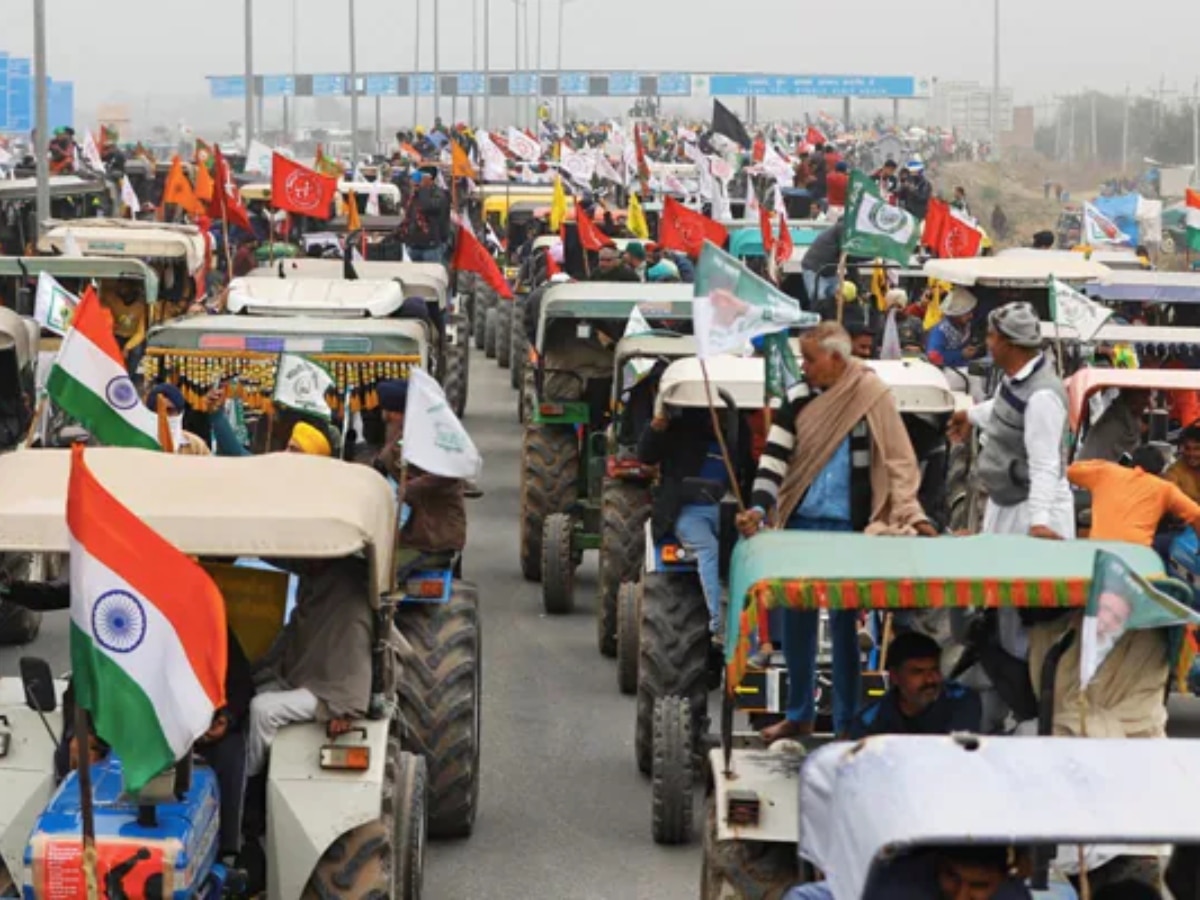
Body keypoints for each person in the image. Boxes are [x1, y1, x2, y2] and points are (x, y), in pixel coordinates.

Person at [737, 322, 936, 742]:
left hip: (853, 527)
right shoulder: (797, 397)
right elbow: (775, 458)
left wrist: (912, 514)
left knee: (848, 627)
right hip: (801, 522)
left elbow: (899, 459)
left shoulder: (870, 395)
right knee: (796, 623)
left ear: (837, 360)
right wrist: (758, 507)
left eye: (810, 359)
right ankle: (799, 714)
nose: (804, 368)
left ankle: (846, 723)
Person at [949, 302, 1074, 704]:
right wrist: (969, 415)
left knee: (1026, 616)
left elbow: (1045, 464)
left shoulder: (1043, 396)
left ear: (1007, 343)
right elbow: (1001, 411)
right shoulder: (1015, 381)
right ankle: (1006, 696)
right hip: (1007, 504)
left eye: (991, 337)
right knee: (1000, 606)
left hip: (1032, 509)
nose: (987, 343)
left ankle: (1030, 702)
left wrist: (1039, 524)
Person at [245, 555, 374, 778]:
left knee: (262, 709)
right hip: (302, 677)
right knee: (246, 697)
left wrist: (346, 710)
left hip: (331, 696)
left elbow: (355, 665)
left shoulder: (350, 604)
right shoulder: (314, 592)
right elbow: (290, 638)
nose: (308, 565)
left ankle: (247, 781)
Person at [638, 396, 752, 639]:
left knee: (748, 550)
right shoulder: (681, 432)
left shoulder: (737, 434)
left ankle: (753, 623)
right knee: (709, 549)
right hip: (690, 511)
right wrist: (658, 425)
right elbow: (646, 455)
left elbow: (747, 473)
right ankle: (720, 623)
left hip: (727, 509)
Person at [372, 379, 467, 564]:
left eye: (389, 411)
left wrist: (408, 489)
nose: (385, 416)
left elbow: (447, 473)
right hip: (411, 535)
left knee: (376, 571)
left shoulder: (431, 438)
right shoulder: (402, 434)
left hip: (431, 538)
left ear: (399, 412)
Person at [849, 631, 982, 738]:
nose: (930, 680)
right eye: (918, 672)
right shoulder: (870, 721)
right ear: (895, 676)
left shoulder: (962, 702)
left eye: (934, 670)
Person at [1069, 445, 1200, 552]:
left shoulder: (1106, 472)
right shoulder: (1164, 488)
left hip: (1100, 554)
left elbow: (1069, 470)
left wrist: (1104, 465)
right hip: (1137, 556)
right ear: (1160, 471)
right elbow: (1196, 514)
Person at [784, 845, 1033, 900]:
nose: (960, 896)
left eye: (979, 886)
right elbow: (804, 898)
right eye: (952, 877)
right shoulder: (895, 881)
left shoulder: (1011, 897)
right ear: (938, 862)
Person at [1075, 390, 1150, 463]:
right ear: (1131, 398)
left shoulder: (1129, 421)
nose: (1148, 403)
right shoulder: (1115, 424)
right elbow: (1123, 464)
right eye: (1144, 397)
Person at [146, 383, 211, 455]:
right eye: (158, 410)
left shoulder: (196, 446)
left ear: (180, 413)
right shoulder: (139, 445)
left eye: (170, 410)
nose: (164, 415)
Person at [401, 168, 449, 262]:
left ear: (429, 179)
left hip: (431, 247)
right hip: (414, 245)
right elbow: (409, 216)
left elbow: (427, 206)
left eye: (420, 177)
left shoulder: (440, 194)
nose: (416, 180)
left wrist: (424, 188)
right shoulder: (415, 195)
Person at [926, 288, 980, 368]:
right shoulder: (940, 331)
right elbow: (933, 356)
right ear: (956, 314)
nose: (971, 316)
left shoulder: (964, 326)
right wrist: (961, 354)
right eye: (967, 313)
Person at [800, 220, 842, 307]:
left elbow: (849, 260)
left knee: (838, 297)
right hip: (814, 269)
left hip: (830, 271)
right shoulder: (841, 229)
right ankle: (819, 318)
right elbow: (850, 259)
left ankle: (832, 318)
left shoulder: (841, 229)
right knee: (818, 297)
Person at [1164, 425, 1200, 503]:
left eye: (1197, 449)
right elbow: (1174, 503)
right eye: (1187, 448)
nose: (1191, 454)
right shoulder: (1174, 473)